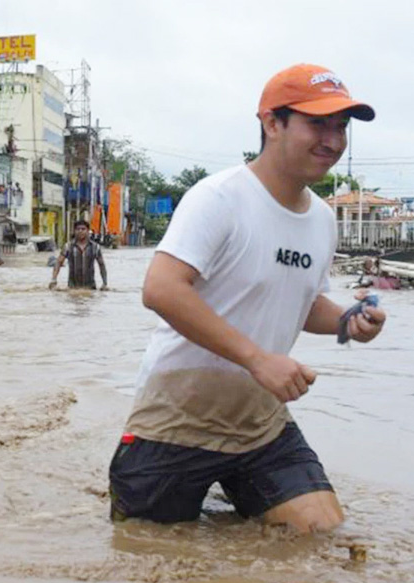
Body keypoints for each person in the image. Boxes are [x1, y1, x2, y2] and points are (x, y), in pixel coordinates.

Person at [109, 64, 387, 534]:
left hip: (261, 424)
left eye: (341, 127)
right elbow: (161, 289)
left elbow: (304, 302)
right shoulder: (218, 198)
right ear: (272, 123)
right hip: (176, 421)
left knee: (320, 535)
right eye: (318, 124)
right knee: (152, 552)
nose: (333, 141)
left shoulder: (322, 219)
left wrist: (349, 321)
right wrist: (258, 359)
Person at [49, 220, 108, 290]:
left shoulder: (95, 247)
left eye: (83, 229)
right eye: (78, 229)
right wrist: (54, 279)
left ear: (88, 231)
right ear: (74, 231)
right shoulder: (68, 246)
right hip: (72, 288)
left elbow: (101, 265)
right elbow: (59, 262)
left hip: (90, 288)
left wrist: (104, 283)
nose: (80, 231)